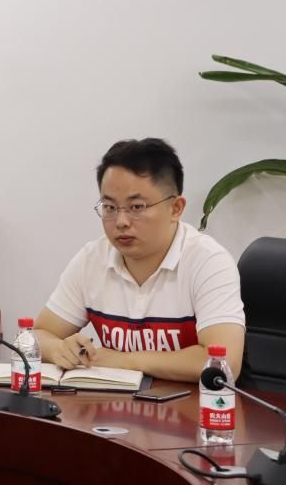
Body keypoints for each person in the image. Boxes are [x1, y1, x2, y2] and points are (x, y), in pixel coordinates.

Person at [34, 138, 245, 382]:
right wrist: (60, 350)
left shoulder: (208, 262)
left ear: (176, 208)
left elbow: (224, 362)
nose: (121, 222)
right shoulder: (91, 260)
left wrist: (124, 361)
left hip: (193, 403)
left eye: (136, 207)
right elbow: (38, 335)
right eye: (110, 207)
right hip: (115, 402)